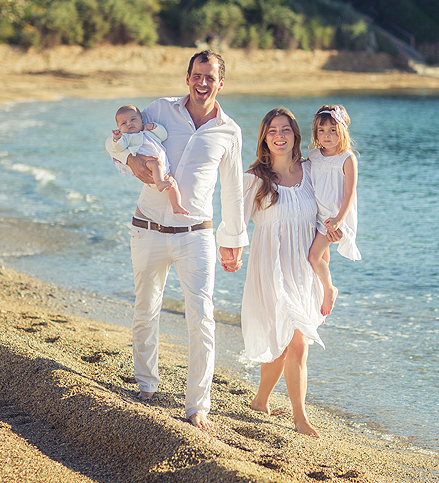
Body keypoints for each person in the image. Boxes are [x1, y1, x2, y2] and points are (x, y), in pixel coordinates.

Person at [105, 50, 247, 430]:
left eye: (210, 77)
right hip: (147, 227)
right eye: (197, 75)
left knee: (202, 318)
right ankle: (146, 385)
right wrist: (130, 162)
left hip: (196, 234)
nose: (203, 82)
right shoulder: (159, 110)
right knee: (145, 309)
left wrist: (233, 240)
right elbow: (117, 141)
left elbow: (233, 190)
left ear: (220, 83)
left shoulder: (229, 131)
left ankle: (198, 406)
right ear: (187, 78)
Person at [240, 107, 342, 438]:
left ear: (295, 135)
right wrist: (228, 253)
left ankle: (260, 401)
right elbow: (235, 225)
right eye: (272, 130)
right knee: (294, 340)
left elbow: (324, 222)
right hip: (270, 268)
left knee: (286, 342)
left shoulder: (311, 171)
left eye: (285, 129)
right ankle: (300, 418)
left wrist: (326, 280)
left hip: (303, 270)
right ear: (264, 137)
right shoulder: (254, 178)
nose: (279, 136)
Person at [307, 104, 360, 317]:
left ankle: (329, 289)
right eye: (321, 130)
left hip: (332, 217)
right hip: (315, 214)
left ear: (342, 132)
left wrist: (338, 220)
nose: (326, 135)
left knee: (314, 257)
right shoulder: (313, 155)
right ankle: (319, 293)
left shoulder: (347, 158)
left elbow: (349, 193)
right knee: (323, 258)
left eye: (332, 130)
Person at [109, 105, 189, 215]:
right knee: (156, 163)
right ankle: (159, 183)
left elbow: (164, 135)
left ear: (142, 121)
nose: (129, 124)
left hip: (164, 169)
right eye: (124, 123)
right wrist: (116, 139)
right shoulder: (127, 138)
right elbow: (119, 148)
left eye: (133, 119)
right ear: (119, 128)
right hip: (148, 164)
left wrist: (154, 127)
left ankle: (176, 206)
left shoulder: (149, 133)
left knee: (173, 184)